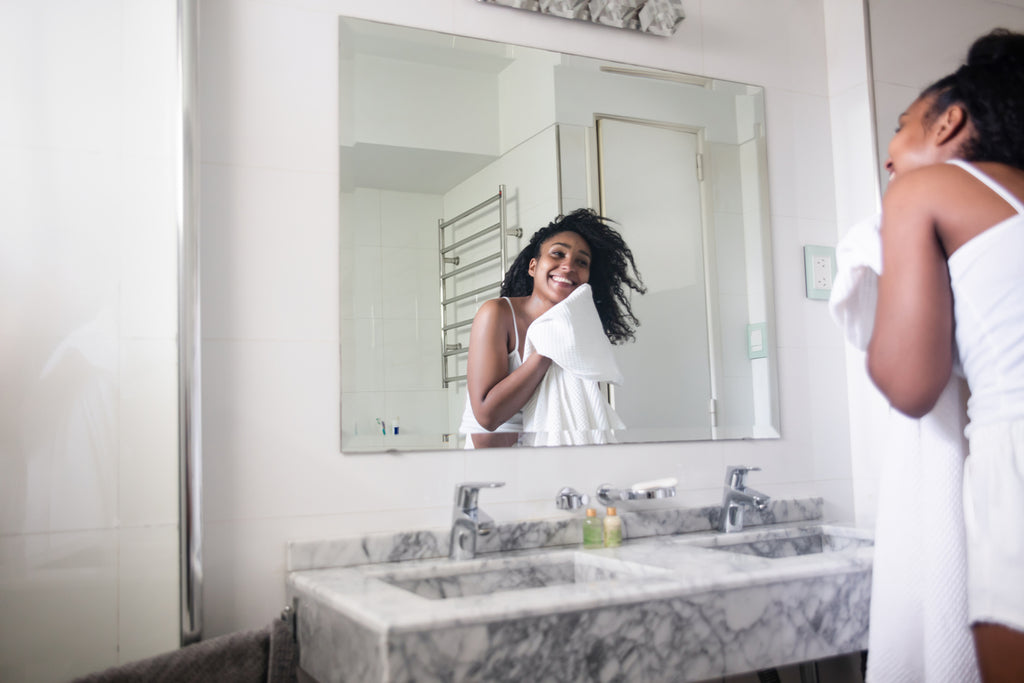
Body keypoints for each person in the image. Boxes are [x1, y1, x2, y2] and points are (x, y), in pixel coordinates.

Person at [867, 29, 1024, 682]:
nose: (889, 160)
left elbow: (911, 383)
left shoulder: (924, 192)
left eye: (901, 129)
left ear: (951, 121)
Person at [460, 208, 646, 448]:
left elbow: (586, 411)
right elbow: (487, 418)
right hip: (493, 468)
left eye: (581, 262)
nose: (568, 266)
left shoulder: (580, 330)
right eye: (558, 254)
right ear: (533, 267)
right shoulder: (497, 314)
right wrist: (548, 350)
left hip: (555, 463)